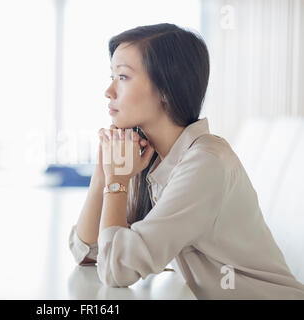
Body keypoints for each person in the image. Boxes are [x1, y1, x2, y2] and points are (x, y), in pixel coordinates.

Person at [68, 23, 304, 299]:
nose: (109, 91)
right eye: (112, 76)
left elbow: (117, 270)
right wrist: (104, 172)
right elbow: (87, 253)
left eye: (122, 77)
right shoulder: (152, 159)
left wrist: (117, 181)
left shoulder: (205, 163)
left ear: (167, 89)